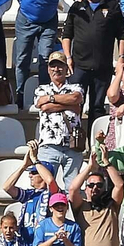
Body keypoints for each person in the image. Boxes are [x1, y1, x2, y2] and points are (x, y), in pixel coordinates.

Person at [13, 0, 79, 101]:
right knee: (23, 59)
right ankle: (20, 93)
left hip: (49, 22)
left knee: (45, 58)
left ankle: (43, 92)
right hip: (26, 20)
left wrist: (81, 0)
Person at [63, 0, 124, 122]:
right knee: (75, 105)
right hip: (79, 66)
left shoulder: (112, 7)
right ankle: (76, 143)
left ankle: (95, 144)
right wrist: (68, 57)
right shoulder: (77, 7)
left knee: (97, 107)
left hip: (102, 67)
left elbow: (122, 35)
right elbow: (66, 34)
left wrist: (121, 58)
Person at [31, 53, 86, 187]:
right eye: (53, 66)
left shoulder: (76, 87)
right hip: (49, 145)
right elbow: (43, 107)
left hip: (73, 146)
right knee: (45, 186)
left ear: (67, 69)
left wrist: (50, 99)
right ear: (48, 70)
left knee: (72, 189)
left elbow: (76, 99)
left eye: (60, 66)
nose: (56, 69)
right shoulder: (41, 89)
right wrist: (69, 105)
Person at [67, 151, 124, 246]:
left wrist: (106, 162)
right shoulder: (81, 206)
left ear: (104, 188)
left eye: (99, 185)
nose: (95, 188)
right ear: (86, 188)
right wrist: (89, 167)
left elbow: (120, 185)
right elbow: (73, 189)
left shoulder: (112, 204)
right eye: (91, 185)